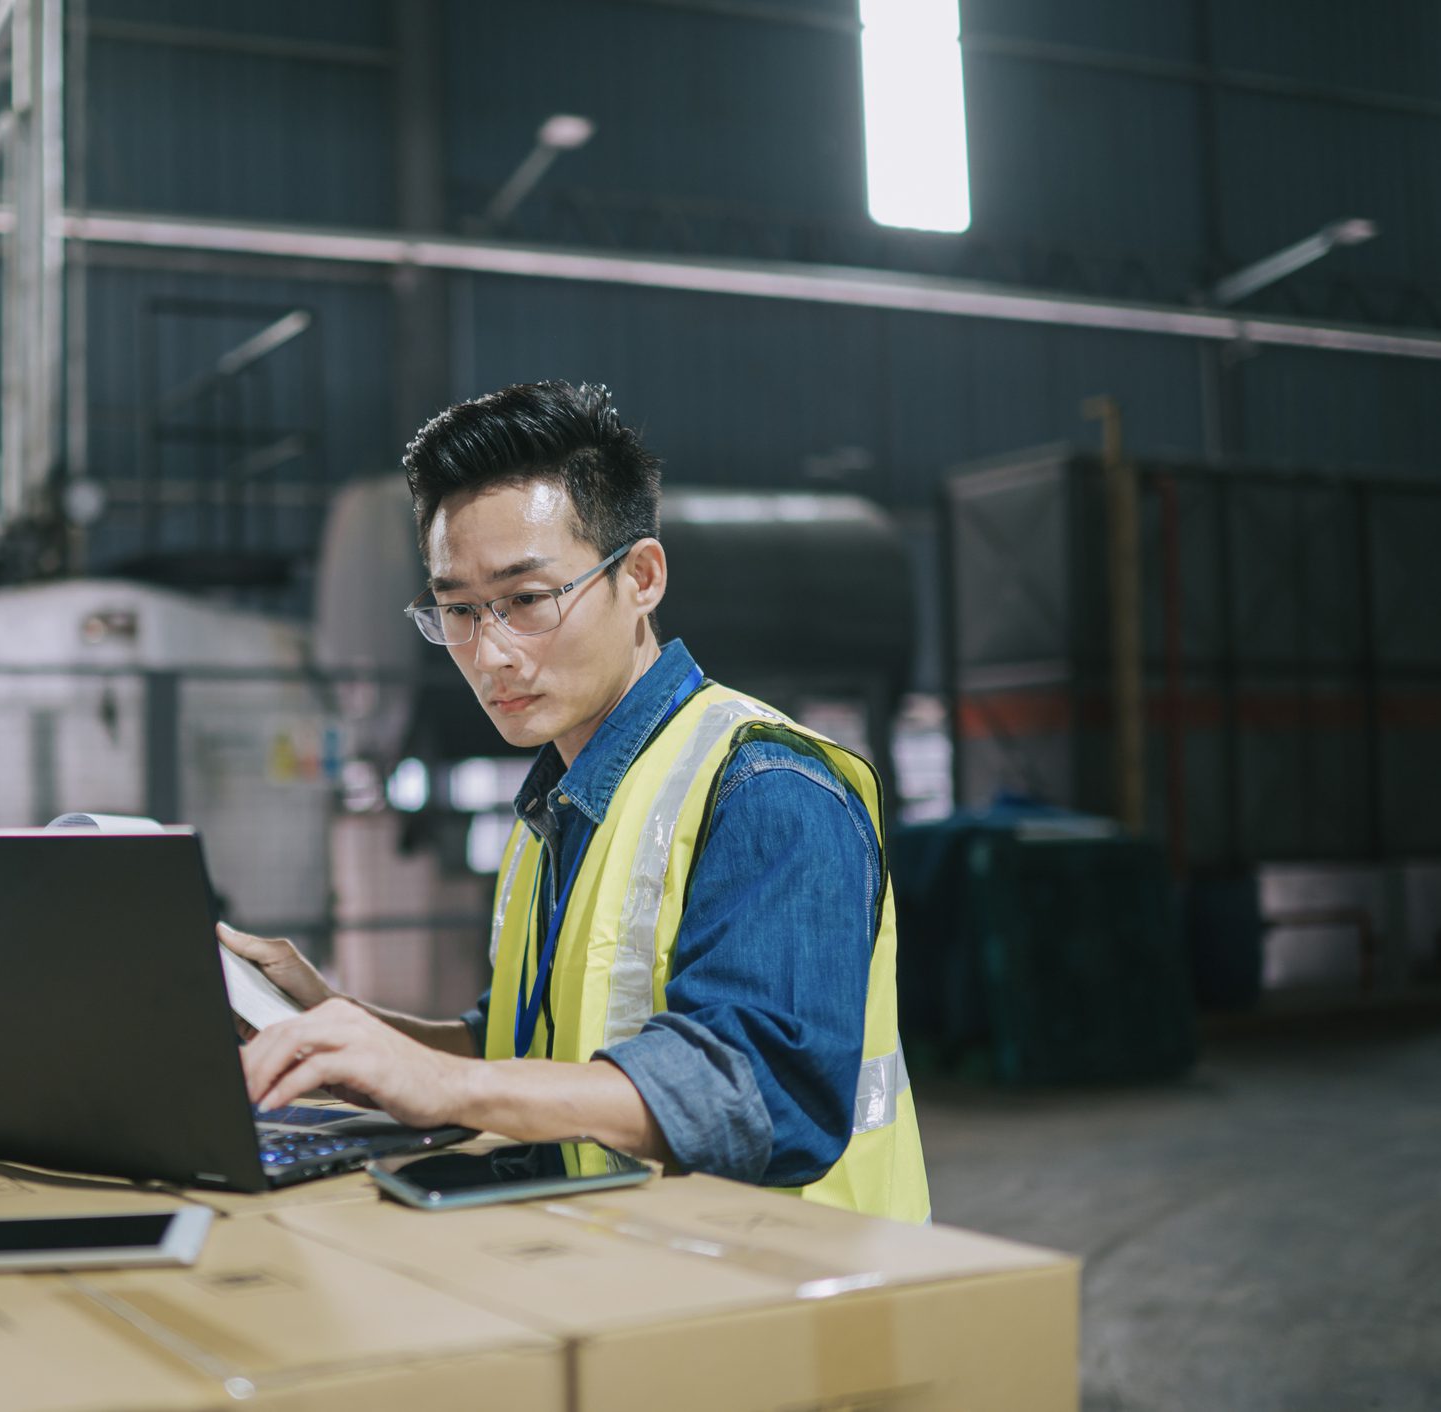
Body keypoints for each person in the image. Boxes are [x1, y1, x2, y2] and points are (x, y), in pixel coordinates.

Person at [223, 381, 928, 1219]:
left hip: (798, 1300)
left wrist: (445, 1083)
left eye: (527, 600)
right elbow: (516, 1049)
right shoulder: (559, 805)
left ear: (642, 576)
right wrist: (333, 1017)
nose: (491, 656)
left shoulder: (764, 788)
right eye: (457, 610)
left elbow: (758, 1094)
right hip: (637, 1276)